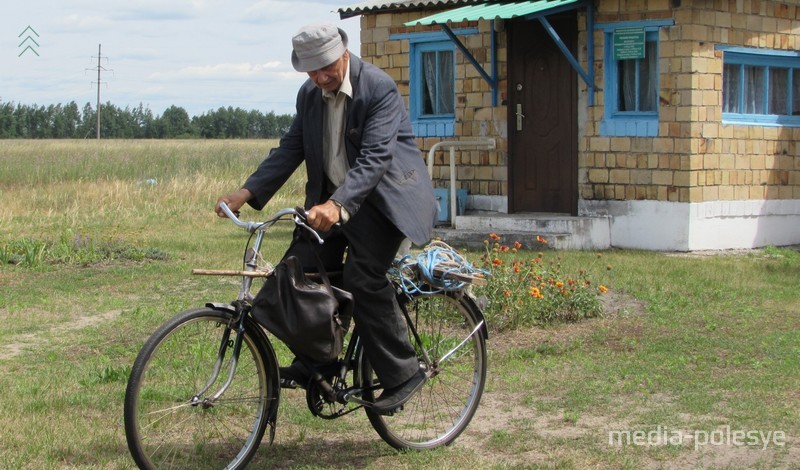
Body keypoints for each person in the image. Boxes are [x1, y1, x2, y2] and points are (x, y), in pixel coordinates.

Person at [215, 23, 438, 414]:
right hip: (332, 204)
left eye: (327, 68)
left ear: (344, 54)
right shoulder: (310, 95)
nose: (320, 77)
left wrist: (338, 206)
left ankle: (404, 373)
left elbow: (374, 160)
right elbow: (291, 148)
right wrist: (247, 192)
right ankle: (318, 362)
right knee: (298, 273)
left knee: (361, 278)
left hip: (385, 203)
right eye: (311, 71)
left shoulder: (378, 88)